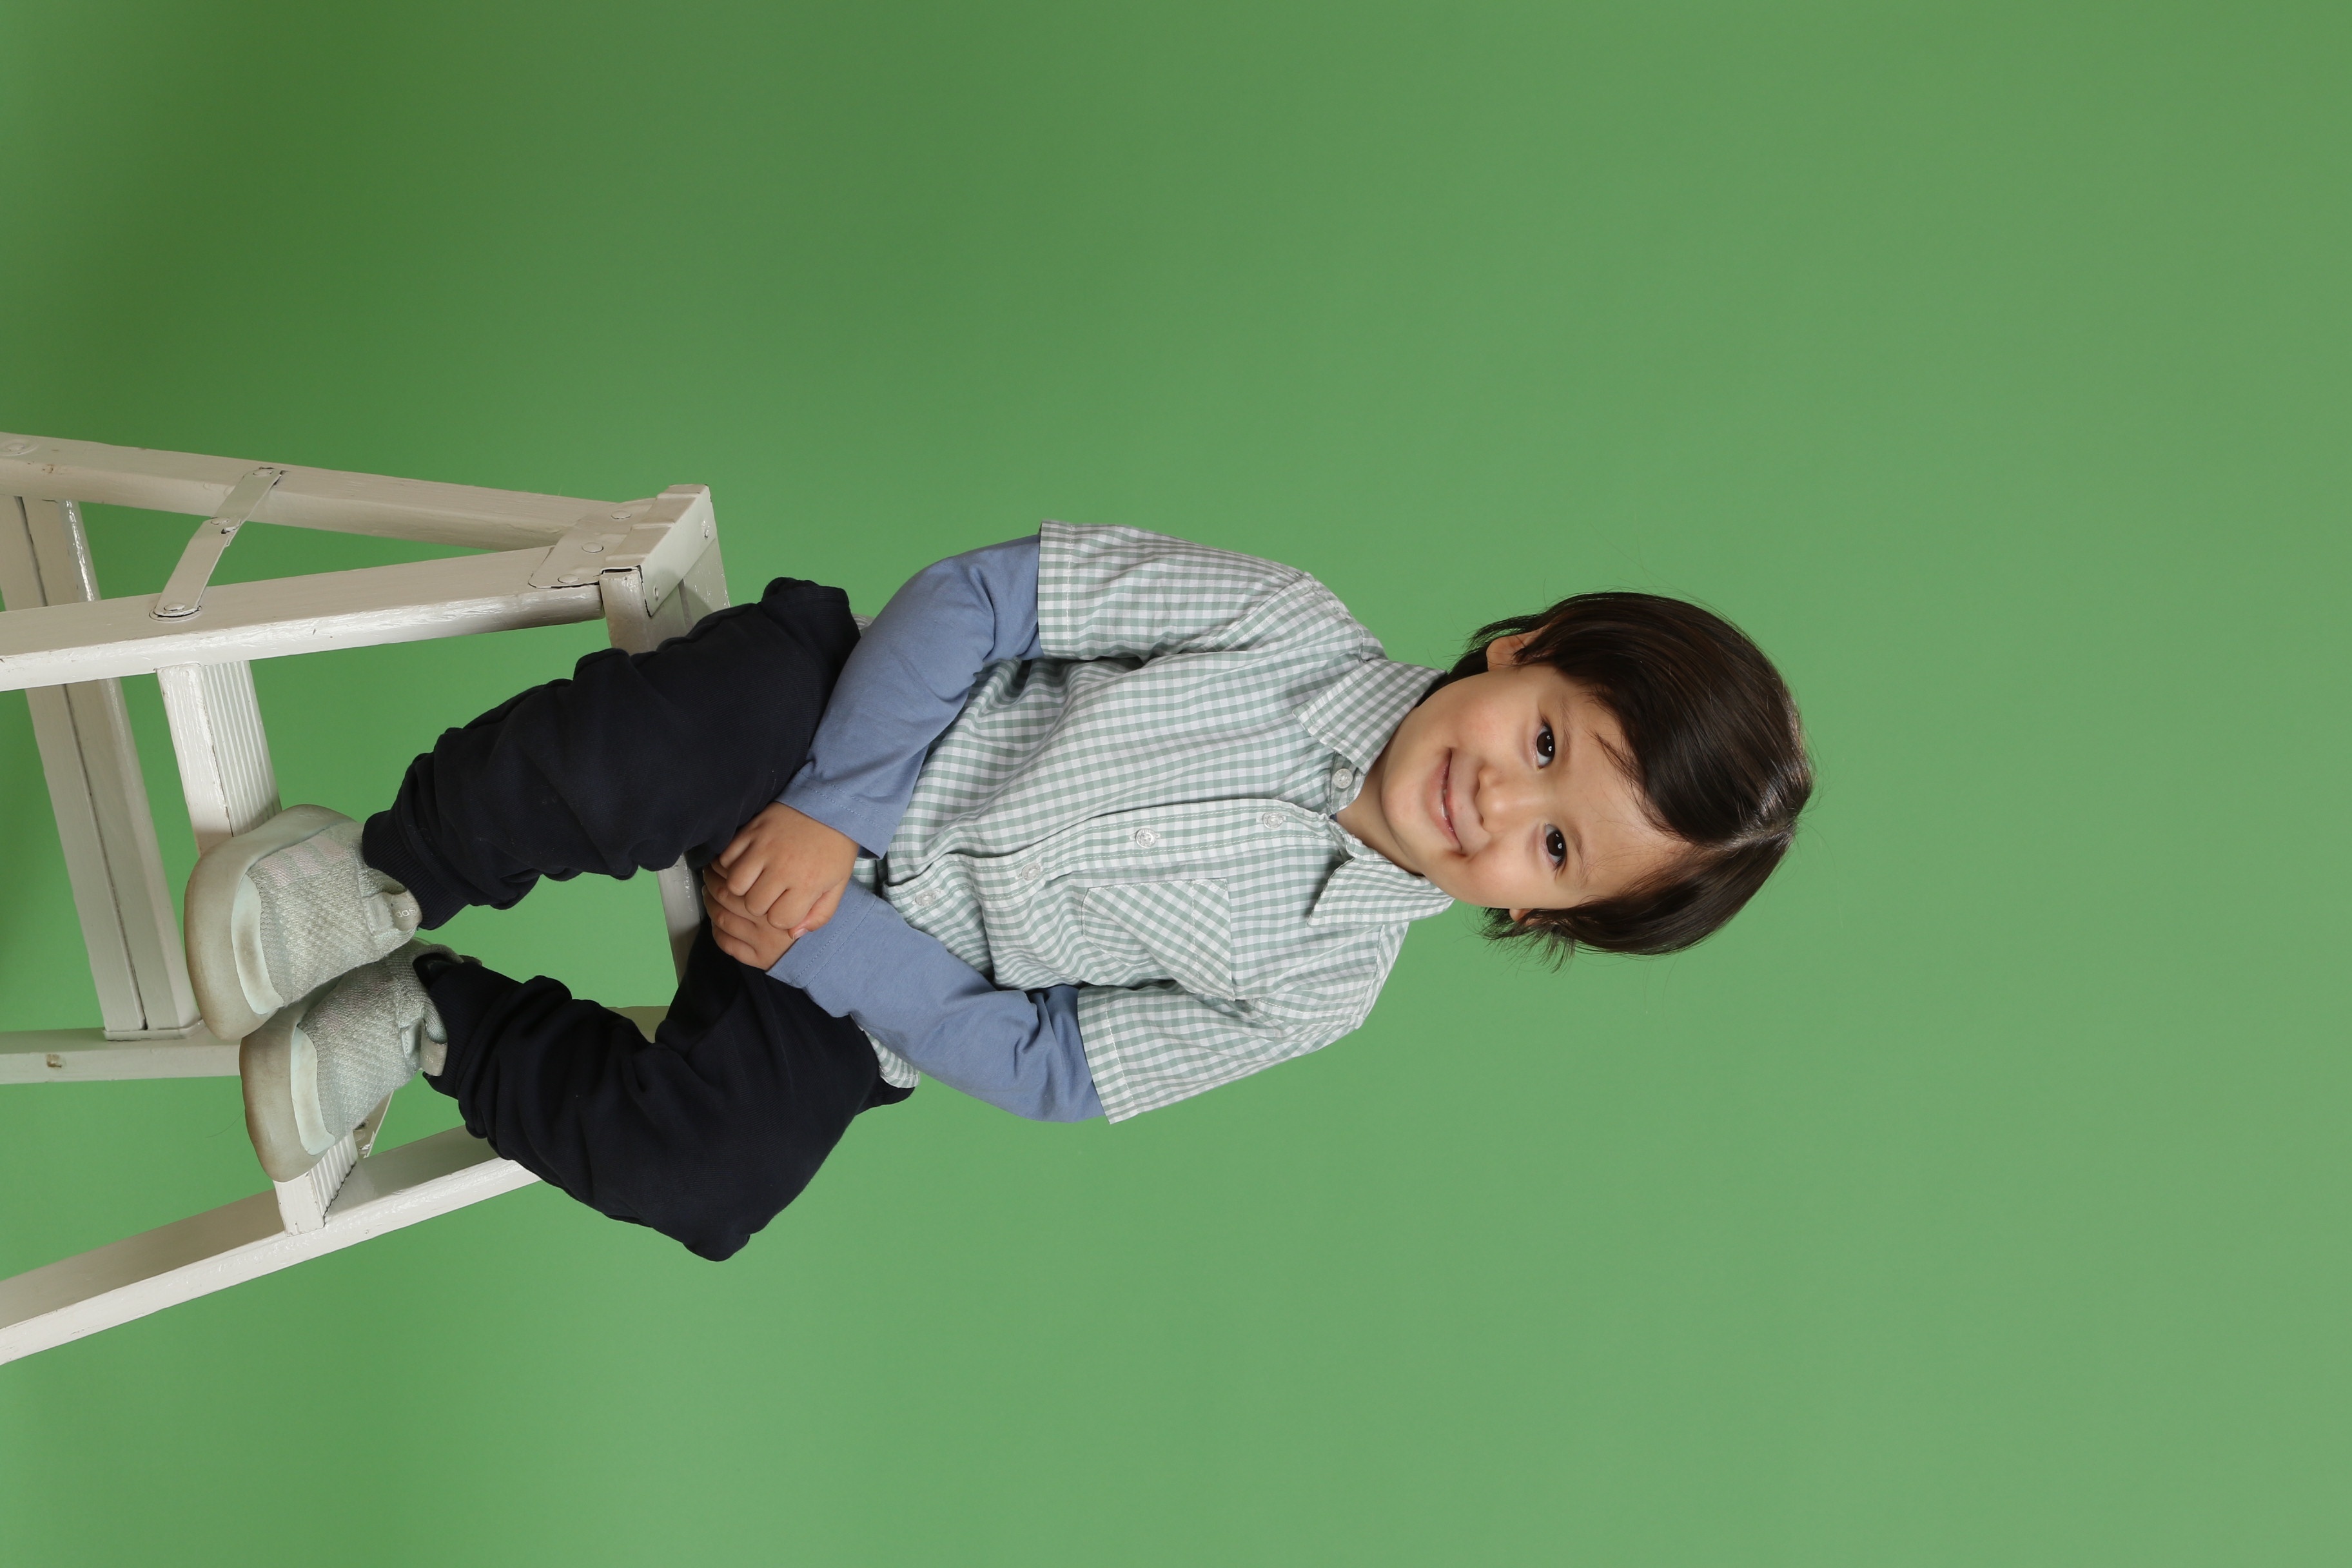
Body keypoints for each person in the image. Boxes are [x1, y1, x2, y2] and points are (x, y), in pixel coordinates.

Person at [183, 522, 1812, 1260]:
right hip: (845, 727)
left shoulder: (1324, 982)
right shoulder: (1285, 625)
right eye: (1546, 741)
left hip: (875, 980)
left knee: (717, 1173)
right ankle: (383, 875)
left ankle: (431, 1019)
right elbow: (985, 598)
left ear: (1533, 916)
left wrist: (834, 935)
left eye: (1554, 847)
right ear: (1525, 647)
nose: (1502, 801)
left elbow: (1056, 1064)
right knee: (638, 749)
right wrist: (832, 816)